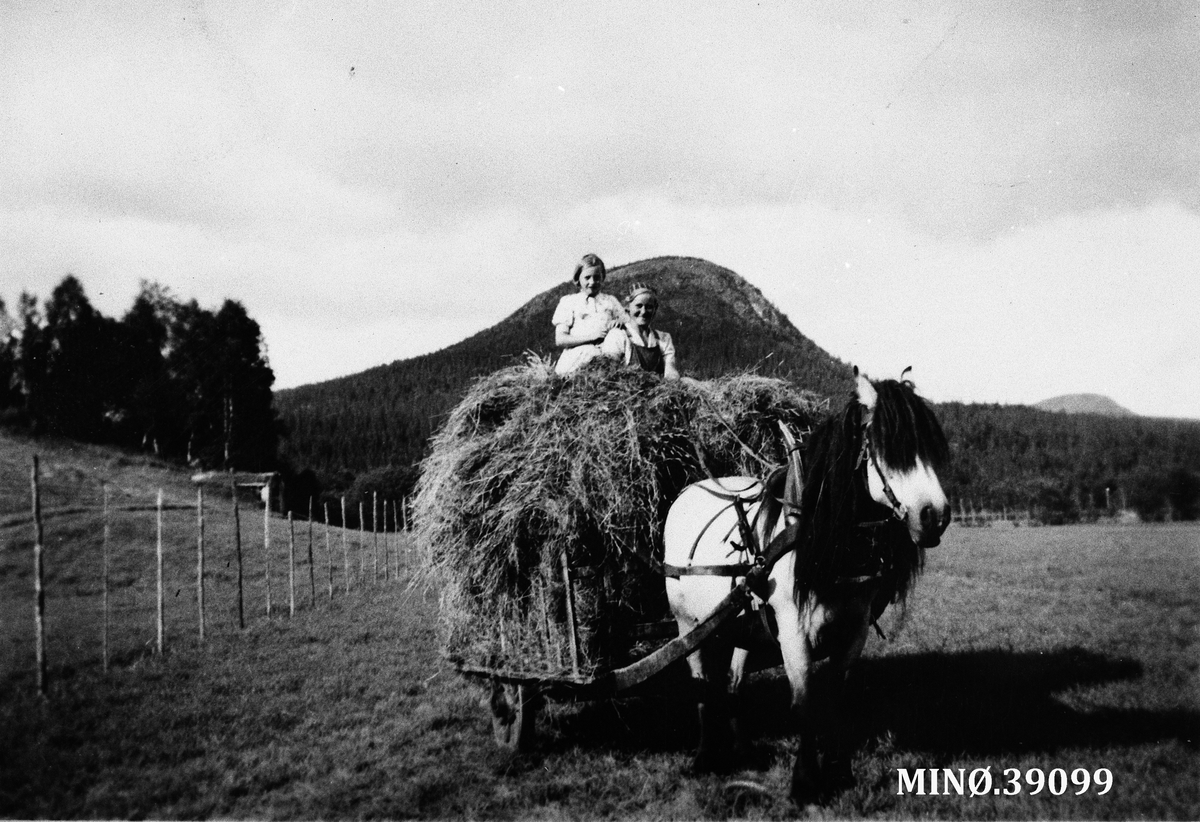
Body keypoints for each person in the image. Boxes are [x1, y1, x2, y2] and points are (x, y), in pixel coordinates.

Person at [551, 253, 628, 376]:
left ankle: (610, 374)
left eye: (597, 277)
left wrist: (619, 323)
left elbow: (629, 327)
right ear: (578, 278)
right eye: (587, 277)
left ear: (602, 278)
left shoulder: (610, 301)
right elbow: (560, 339)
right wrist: (592, 337)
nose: (592, 282)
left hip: (607, 355)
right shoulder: (569, 302)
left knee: (618, 335)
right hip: (578, 356)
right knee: (590, 352)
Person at [601, 282, 679, 379]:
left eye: (649, 307)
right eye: (639, 306)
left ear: (655, 309)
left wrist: (672, 381)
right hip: (628, 390)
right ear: (627, 307)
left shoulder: (663, 338)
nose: (644, 312)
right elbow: (609, 371)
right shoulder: (618, 335)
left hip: (658, 391)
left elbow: (670, 369)